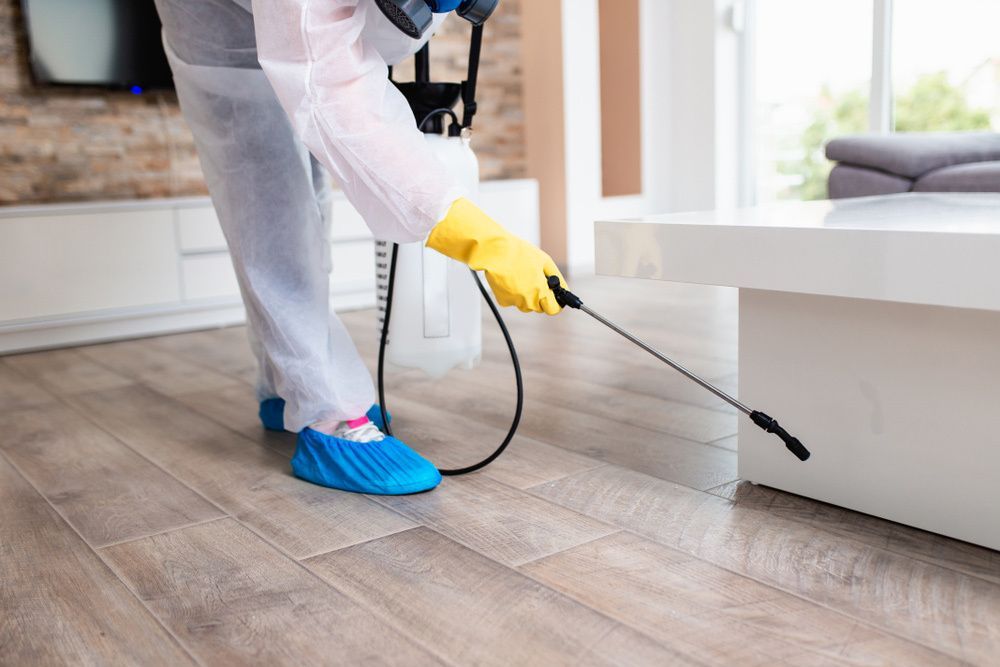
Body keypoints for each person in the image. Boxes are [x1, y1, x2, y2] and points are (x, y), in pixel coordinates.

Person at [153, 0, 565, 495]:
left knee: (309, 194)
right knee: (268, 208)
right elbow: (337, 98)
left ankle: (283, 386)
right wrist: (481, 239)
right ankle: (327, 412)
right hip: (224, 46)